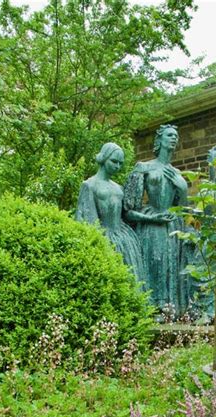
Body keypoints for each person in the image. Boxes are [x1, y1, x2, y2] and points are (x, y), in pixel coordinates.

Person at [123, 124, 193, 316]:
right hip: (151, 227)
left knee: (172, 268)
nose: (174, 138)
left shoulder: (177, 174)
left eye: (176, 136)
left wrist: (184, 189)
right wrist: (152, 219)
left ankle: (172, 310)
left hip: (172, 227)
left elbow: (184, 210)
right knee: (154, 263)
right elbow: (128, 211)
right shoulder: (143, 168)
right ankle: (153, 310)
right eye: (170, 135)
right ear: (159, 140)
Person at [75, 142, 145, 284]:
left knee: (130, 279)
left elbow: (126, 214)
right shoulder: (89, 185)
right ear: (103, 158)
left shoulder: (119, 188)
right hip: (103, 237)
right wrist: (98, 240)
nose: (117, 166)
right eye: (114, 161)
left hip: (124, 238)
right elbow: (85, 219)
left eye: (120, 163)